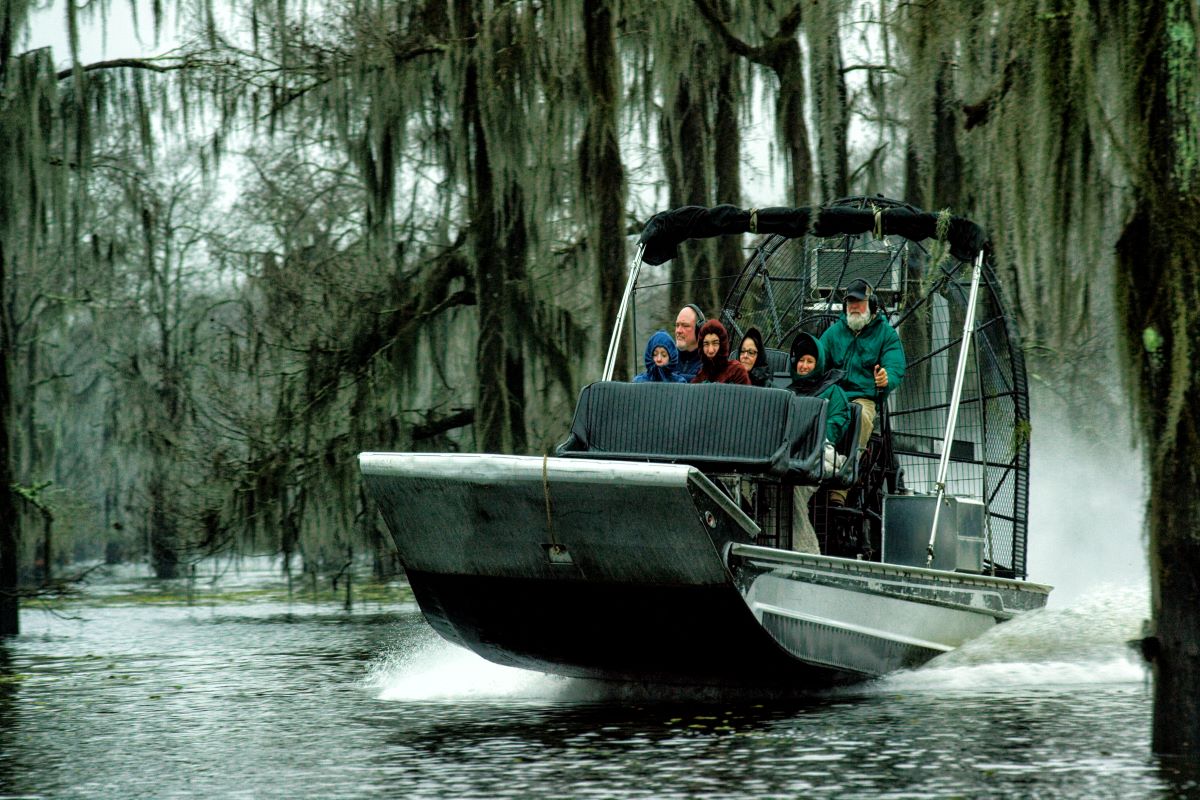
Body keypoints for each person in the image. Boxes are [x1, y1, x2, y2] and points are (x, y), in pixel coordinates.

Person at [819, 278, 906, 505]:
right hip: (833, 395)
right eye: (850, 302)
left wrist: (886, 378)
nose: (854, 307)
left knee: (862, 418)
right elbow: (817, 359)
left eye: (859, 302)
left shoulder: (886, 334)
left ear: (872, 304)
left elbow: (895, 365)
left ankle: (843, 483)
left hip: (863, 398)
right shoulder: (834, 333)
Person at [788, 332, 851, 554]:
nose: (804, 366)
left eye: (810, 361)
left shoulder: (833, 391)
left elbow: (837, 423)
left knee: (793, 488)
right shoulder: (788, 393)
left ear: (819, 364)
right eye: (801, 361)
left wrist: (811, 437)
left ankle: (806, 550)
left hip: (821, 452)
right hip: (791, 454)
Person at [691, 319, 750, 385]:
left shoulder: (736, 372)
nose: (710, 350)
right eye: (706, 344)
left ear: (722, 345)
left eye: (715, 343)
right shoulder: (700, 376)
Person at [673, 304, 705, 380]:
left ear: (699, 330)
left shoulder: (709, 362)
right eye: (677, 325)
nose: (678, 331)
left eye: (685, 326)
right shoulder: (666, 358)